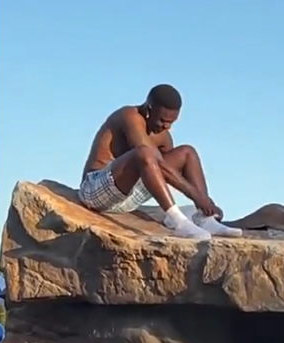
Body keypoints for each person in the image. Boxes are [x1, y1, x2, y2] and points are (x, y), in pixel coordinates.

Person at [78, 84, 241, 240]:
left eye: (171, 123)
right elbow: (154, 161)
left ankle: (205, 219)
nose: (166, 126)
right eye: (162, 120)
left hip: (127, 200)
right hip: (95, 192)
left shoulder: (163, 135)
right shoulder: (130, 116)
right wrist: (196, 196)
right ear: (149, 110)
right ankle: (178, 221)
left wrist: (206, 202)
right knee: (145, 153)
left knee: (187, 152)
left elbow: (168, 172)